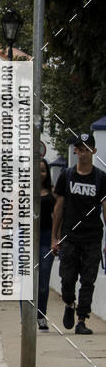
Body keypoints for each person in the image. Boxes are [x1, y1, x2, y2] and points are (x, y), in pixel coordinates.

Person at [52, 133, 106, 335]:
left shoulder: (101, 178)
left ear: (94, 150)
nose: (83, 153)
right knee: (67, 278)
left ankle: (82, 319)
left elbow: (105, 208)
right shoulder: (66, 176)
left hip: (92, 236)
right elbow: (59, 207)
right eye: (79, 149)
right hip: (69, 236)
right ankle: (69, 303)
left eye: (86, 149)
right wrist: (54, 237)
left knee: (88, 280)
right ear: (75, 150)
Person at [37, 159, 55, 331]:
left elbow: (58, 217)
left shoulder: (52, 193)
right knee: (27, 282)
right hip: (27, 240)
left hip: (46, 239)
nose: (40, 174)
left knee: (43, 282)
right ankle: (25, 317)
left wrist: (56, 239)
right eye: (37, 170)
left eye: (43, 170)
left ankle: (41, 316)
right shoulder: (23, 192)